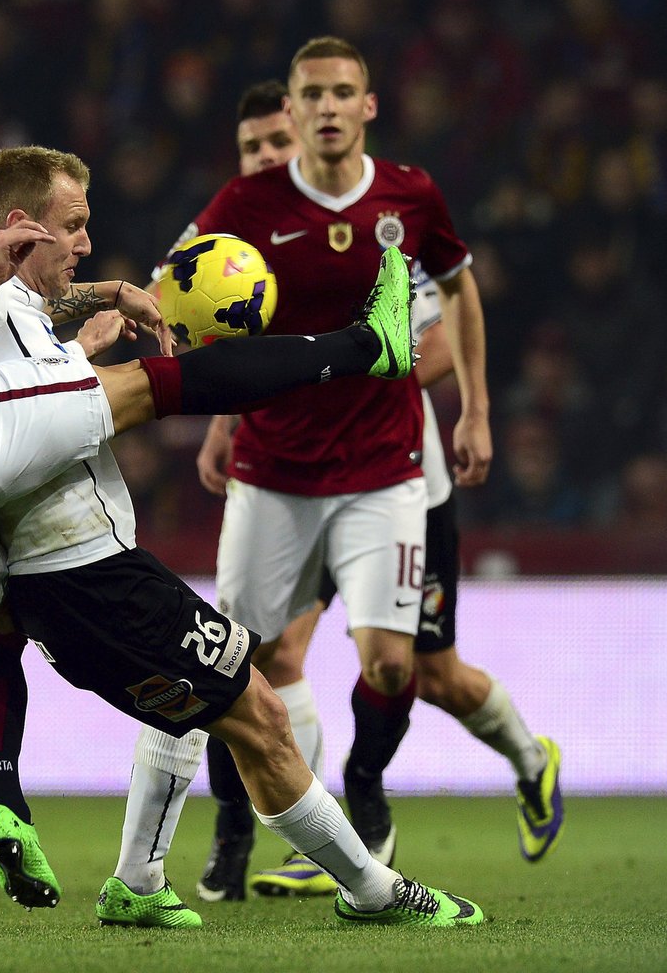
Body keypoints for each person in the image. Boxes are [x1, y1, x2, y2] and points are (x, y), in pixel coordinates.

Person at [0, 90, 484, 930]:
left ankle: (133, 877)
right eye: (71, 226)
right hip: (74, 570)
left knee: (192, 707)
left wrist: (92, 311)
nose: (82, 240)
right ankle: (371, 347)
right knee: (153, 403)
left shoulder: (11, 316)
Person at [116, 69, 563, 907]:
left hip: (397, 475)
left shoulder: (387, 215)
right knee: (260, 658)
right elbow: (192, 308)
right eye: (249, 149)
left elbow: (421, 339)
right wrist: (222, 410)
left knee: (422, 672)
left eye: (273, 144)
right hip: (282, 473)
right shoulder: (237, 231)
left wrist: (471, 409)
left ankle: (510, 763)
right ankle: (260, 839)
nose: (264, 160)